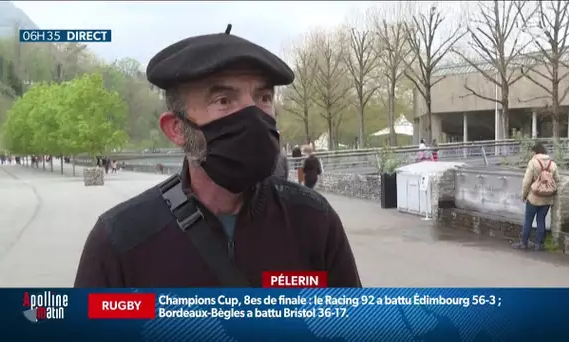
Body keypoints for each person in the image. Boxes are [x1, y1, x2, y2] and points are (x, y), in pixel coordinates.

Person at [74, 25, 361, 288]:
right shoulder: (121, 241)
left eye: (264, 98)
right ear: (176, 129)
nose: (253, 117)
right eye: (224, 101)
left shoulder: (313, 221)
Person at [513, 142, 560, 251]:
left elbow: (526, 182)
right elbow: (557, 180)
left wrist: (524, 195)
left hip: (533, 197)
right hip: (548, 198)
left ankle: (524, 243)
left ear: (535, 152)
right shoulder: (552, 164)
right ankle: (538, 245)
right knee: (541, 220)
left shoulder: (533, 163)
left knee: (528, 220)